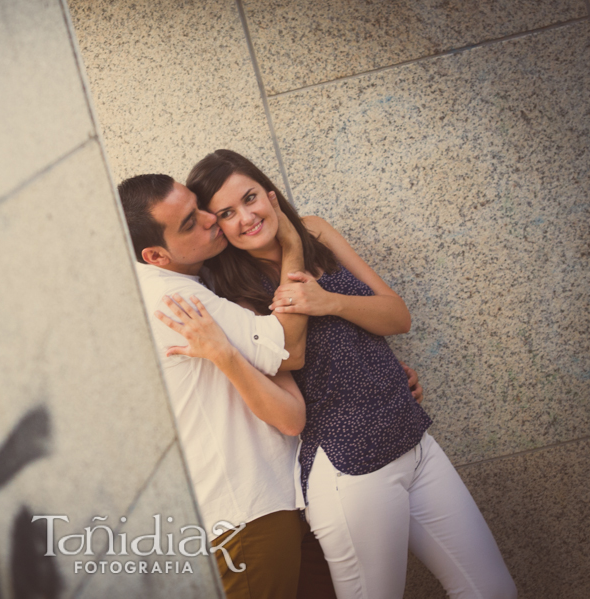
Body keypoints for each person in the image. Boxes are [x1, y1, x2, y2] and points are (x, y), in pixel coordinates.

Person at [184, 149, 517, 599]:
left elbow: (397, 316)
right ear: (216, 225)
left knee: (493, 590)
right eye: (226, 213)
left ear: (269, 193)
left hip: (411, 438)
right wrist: (293, 252)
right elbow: (292, 354)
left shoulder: (316, 229)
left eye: (250, 198)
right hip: (349, 467)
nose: (246, 217)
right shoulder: (229, 291)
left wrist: (331, 301)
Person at [118, 174, 419, 598]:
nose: (211, 220)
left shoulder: (198, 284)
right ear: (156, 255)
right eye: (191, 222)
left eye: (203, 208)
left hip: (285, 498)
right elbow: (286, 351)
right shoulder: (177, 299)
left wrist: (374, 377)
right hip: (245, 514)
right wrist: (294, 246)